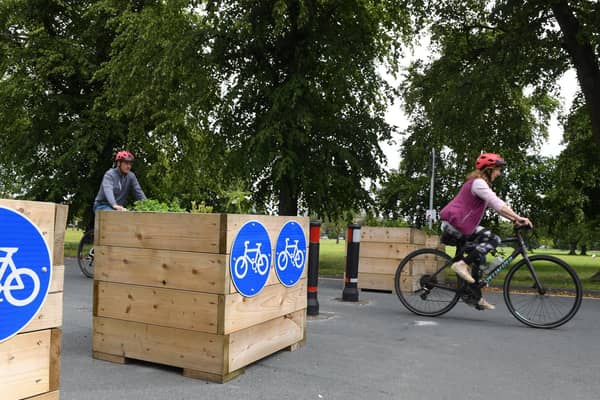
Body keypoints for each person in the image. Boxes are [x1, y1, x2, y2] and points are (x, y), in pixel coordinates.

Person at [439, 153, 533, 310]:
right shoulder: (478, 183)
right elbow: (498, 203)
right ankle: (461, 265)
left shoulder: (481, 185)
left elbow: (498, 208)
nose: (499, 173)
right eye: (497, 170)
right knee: (493, 239)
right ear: (489, 169)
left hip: (461, 225)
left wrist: (514, 220)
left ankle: (475, 297)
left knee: (479, 259)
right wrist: (518, 217)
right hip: (454, 225)